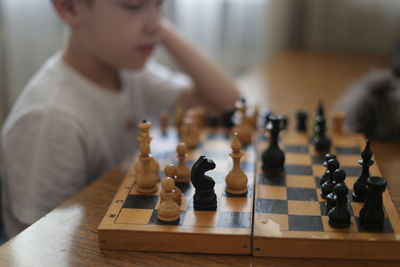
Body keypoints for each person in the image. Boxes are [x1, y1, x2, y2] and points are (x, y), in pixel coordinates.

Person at [0, 0, 239, 238]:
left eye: (159, 5)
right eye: (133, 6)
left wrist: (163, 32)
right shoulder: (51, 119)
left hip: (108, 226)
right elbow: (38, 242)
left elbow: (228, 103)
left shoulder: (128, 72)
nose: (156, 24)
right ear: (71, 8)